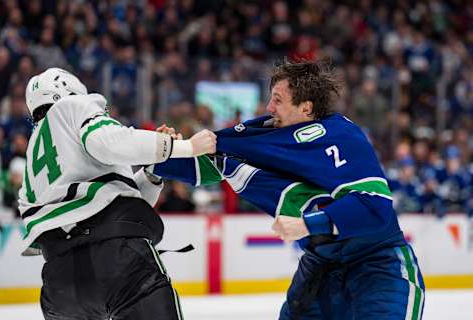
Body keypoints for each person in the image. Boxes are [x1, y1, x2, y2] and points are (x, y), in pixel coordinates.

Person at [156, 59, 425, 320]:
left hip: (377, 265)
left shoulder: (342, 136)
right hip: (321, 267)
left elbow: (373, 206)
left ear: (306, 108)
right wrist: (166, 152)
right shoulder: (264, 132)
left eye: (278, 100)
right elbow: (210, 163)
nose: (269, 107)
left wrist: (308, 224)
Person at [18, 68, 216, 320]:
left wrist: (152, 172)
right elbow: (106, 142)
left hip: (60, 286)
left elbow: (117, 198)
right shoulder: (73, 107)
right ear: (69, 91)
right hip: (117, 259)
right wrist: (184, 147)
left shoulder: (33, 158)